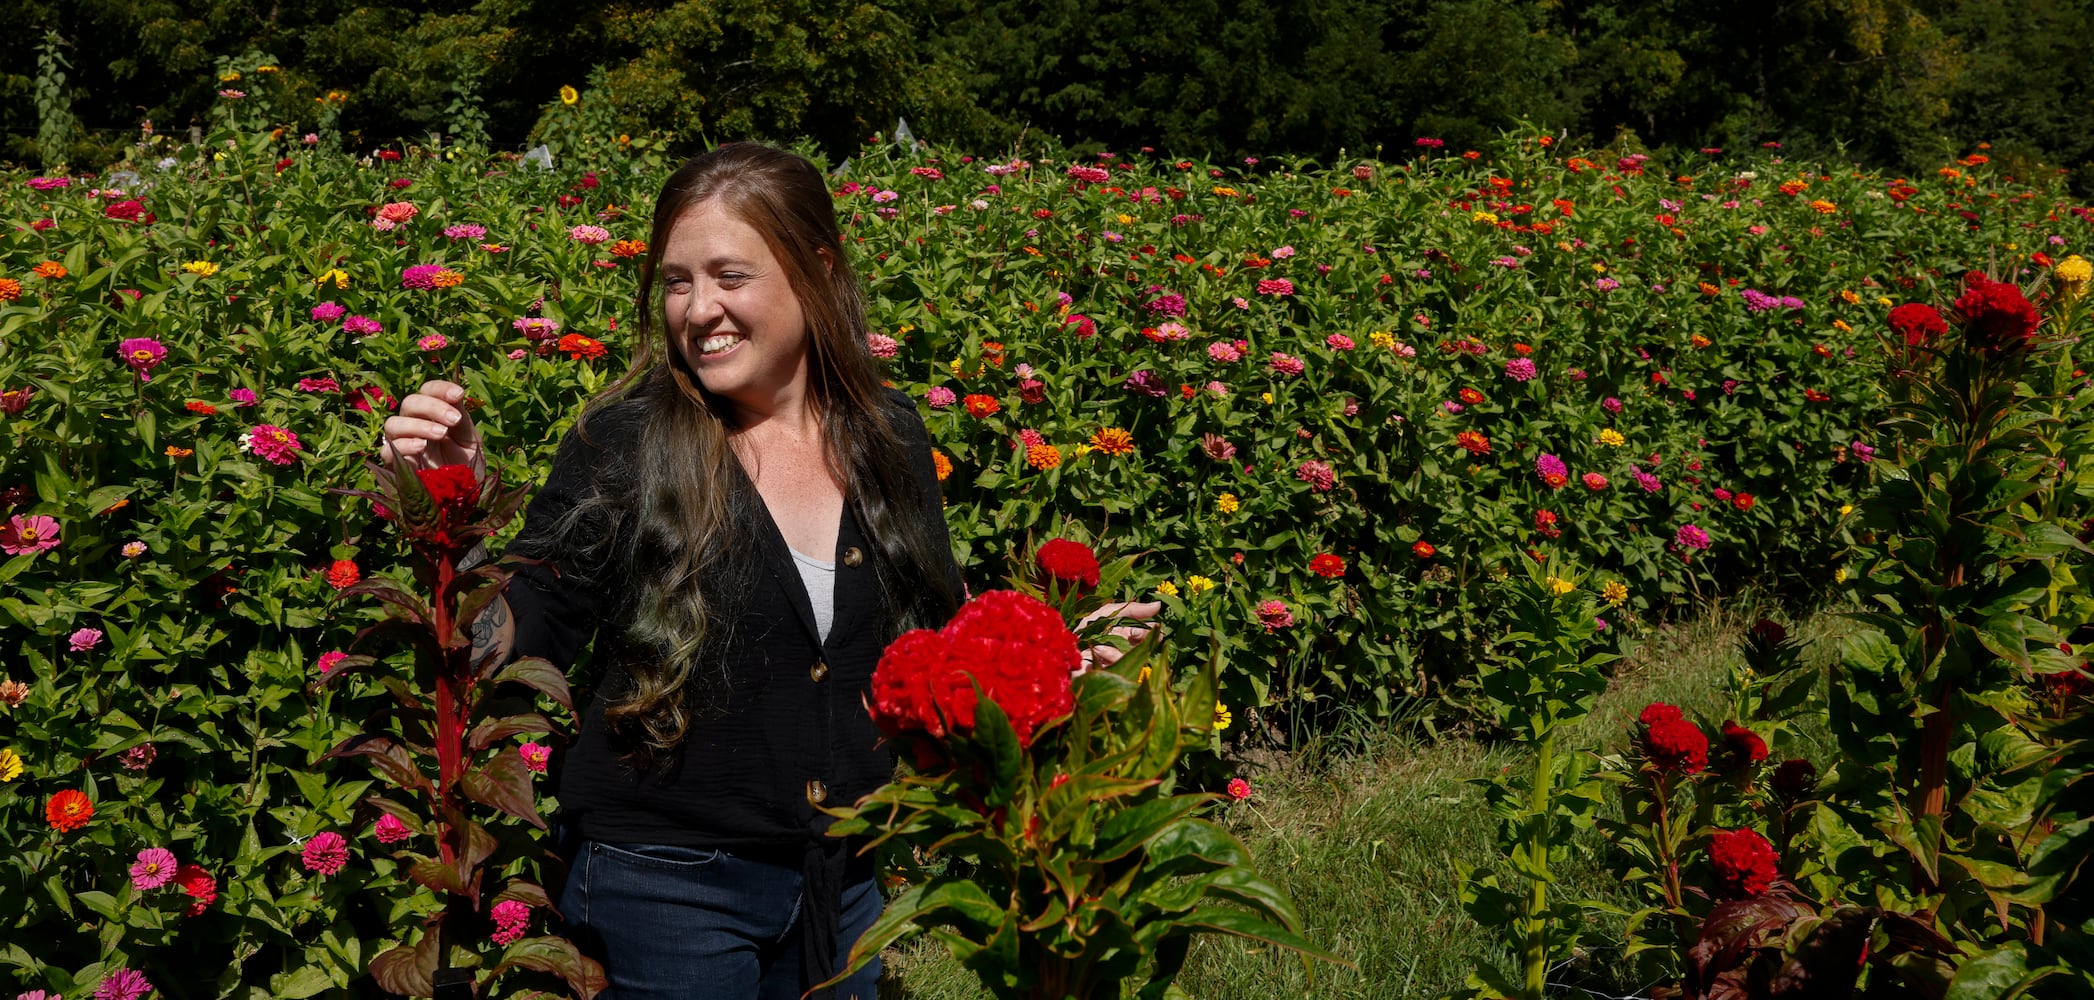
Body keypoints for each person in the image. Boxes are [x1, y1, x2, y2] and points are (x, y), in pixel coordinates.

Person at [380, 142, 1154, 999]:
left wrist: (1059, 659)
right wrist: (454, 512)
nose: (698, 309)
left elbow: (929, 645)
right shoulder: (629, 446)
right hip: (661, 885)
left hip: (844, 882)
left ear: (815, 269)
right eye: (676, 281)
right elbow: (514, 649)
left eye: (728, 275)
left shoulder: (889, 437)